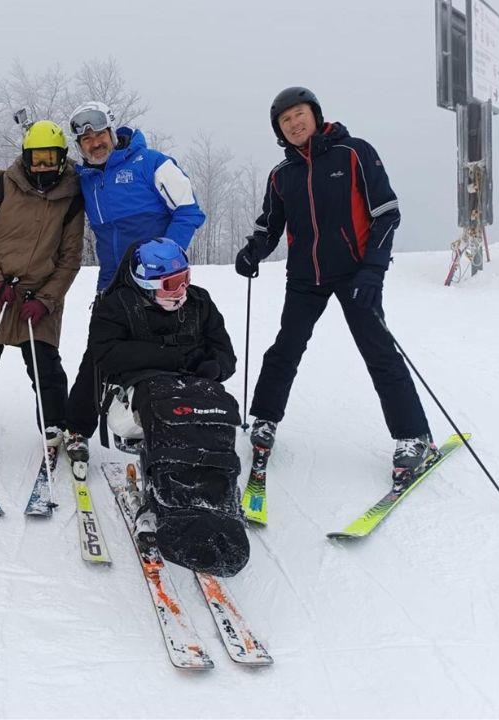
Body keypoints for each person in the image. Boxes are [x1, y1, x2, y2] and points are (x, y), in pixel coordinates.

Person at [234, 87, 433, 482]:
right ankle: (264, 420)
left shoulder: (353, 153)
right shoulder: (282, 175)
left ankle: (414, 436)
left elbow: (387, 213)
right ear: (280, 130)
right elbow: (269, 224)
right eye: (285, 120)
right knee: (284, 350)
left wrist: (373, 270)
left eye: (299, 114)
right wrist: (252, 251)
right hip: (306, 277)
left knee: (378, 351)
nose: (294, 123)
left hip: (356, 273)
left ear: (315, 114)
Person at [59, 101, 206, 468]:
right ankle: (77, 429)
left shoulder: (153, 164)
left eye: (99, 134)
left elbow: (189, 210)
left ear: (112, 130)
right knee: (98, 356)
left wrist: (167, 257)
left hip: (160, 282)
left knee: (172, 351)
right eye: (85, 139)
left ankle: (178, 423)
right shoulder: (86, 179)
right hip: (112, 285)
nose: (94, 143)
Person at [88, 238, 247, 576]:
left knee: (216, 408)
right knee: (169, 411)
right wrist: (173, 359)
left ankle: (219, 497)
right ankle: (169, 499)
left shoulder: (200, 303)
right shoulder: (117, 306)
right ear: (147, 284)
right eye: (172, 284)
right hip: (134, 395)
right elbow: (106, 355)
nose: (182, 291)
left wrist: (213, 369)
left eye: (185, 279)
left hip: (193, 385)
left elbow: (225, 354)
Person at [0, 121, 84, 445]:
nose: (42, 167)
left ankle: (55, 425)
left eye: (50, 159)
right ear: (25, 158)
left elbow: (70, 259)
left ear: (62, 158)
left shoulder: (71, 197)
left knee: (44, 364)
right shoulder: (1, 184)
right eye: (36, 159)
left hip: (37, 294)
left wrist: (46, 299)